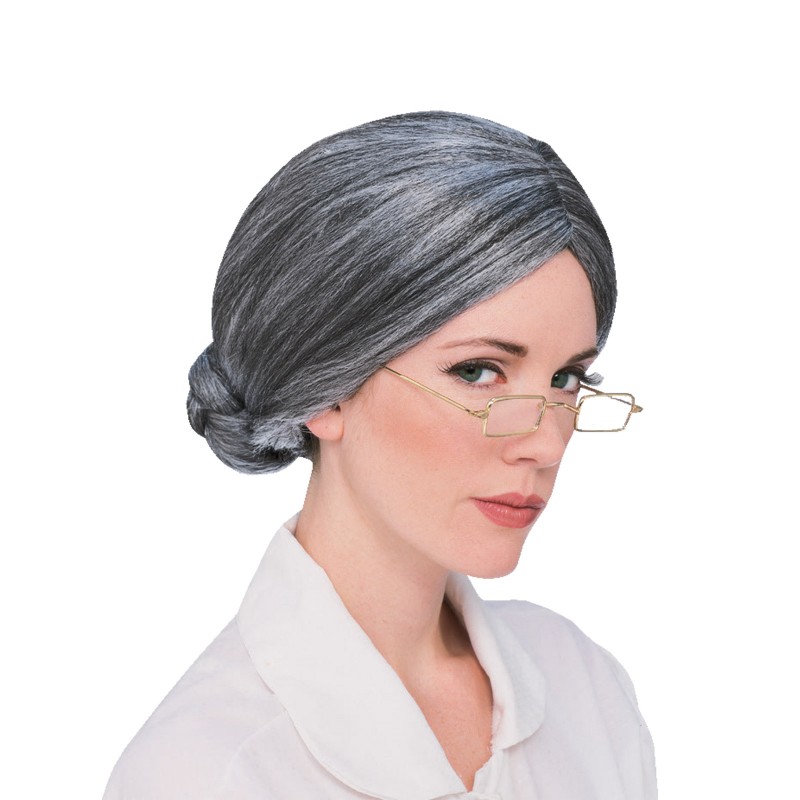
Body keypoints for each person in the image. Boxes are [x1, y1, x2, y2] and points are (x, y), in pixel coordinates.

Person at [104, 111, 657, 799]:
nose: (546, 442)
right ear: (325, 390)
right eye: (478, 371)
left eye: (567, 379)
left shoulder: (587, 690)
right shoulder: (205, 771)